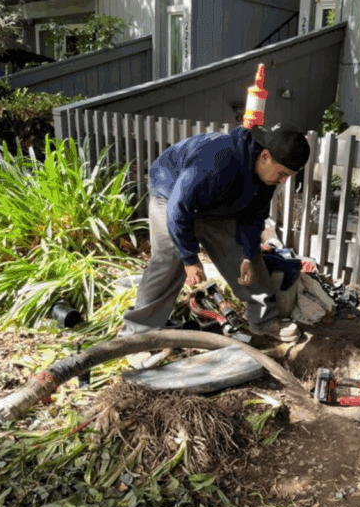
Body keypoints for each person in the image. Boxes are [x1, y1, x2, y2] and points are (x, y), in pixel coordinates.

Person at [120, 122, 311, 343]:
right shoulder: (218, 161)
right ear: (265, 156)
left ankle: (264, 320)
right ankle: (137, 334)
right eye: (283, 173)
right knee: (170, 258)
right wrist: (190, 259)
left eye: (289, 175)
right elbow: (177, 210)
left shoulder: (268, 177)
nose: (283, 181)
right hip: (170, 192)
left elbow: (252, 219)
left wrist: (247, 256)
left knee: (247, 257)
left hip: (212, 202)